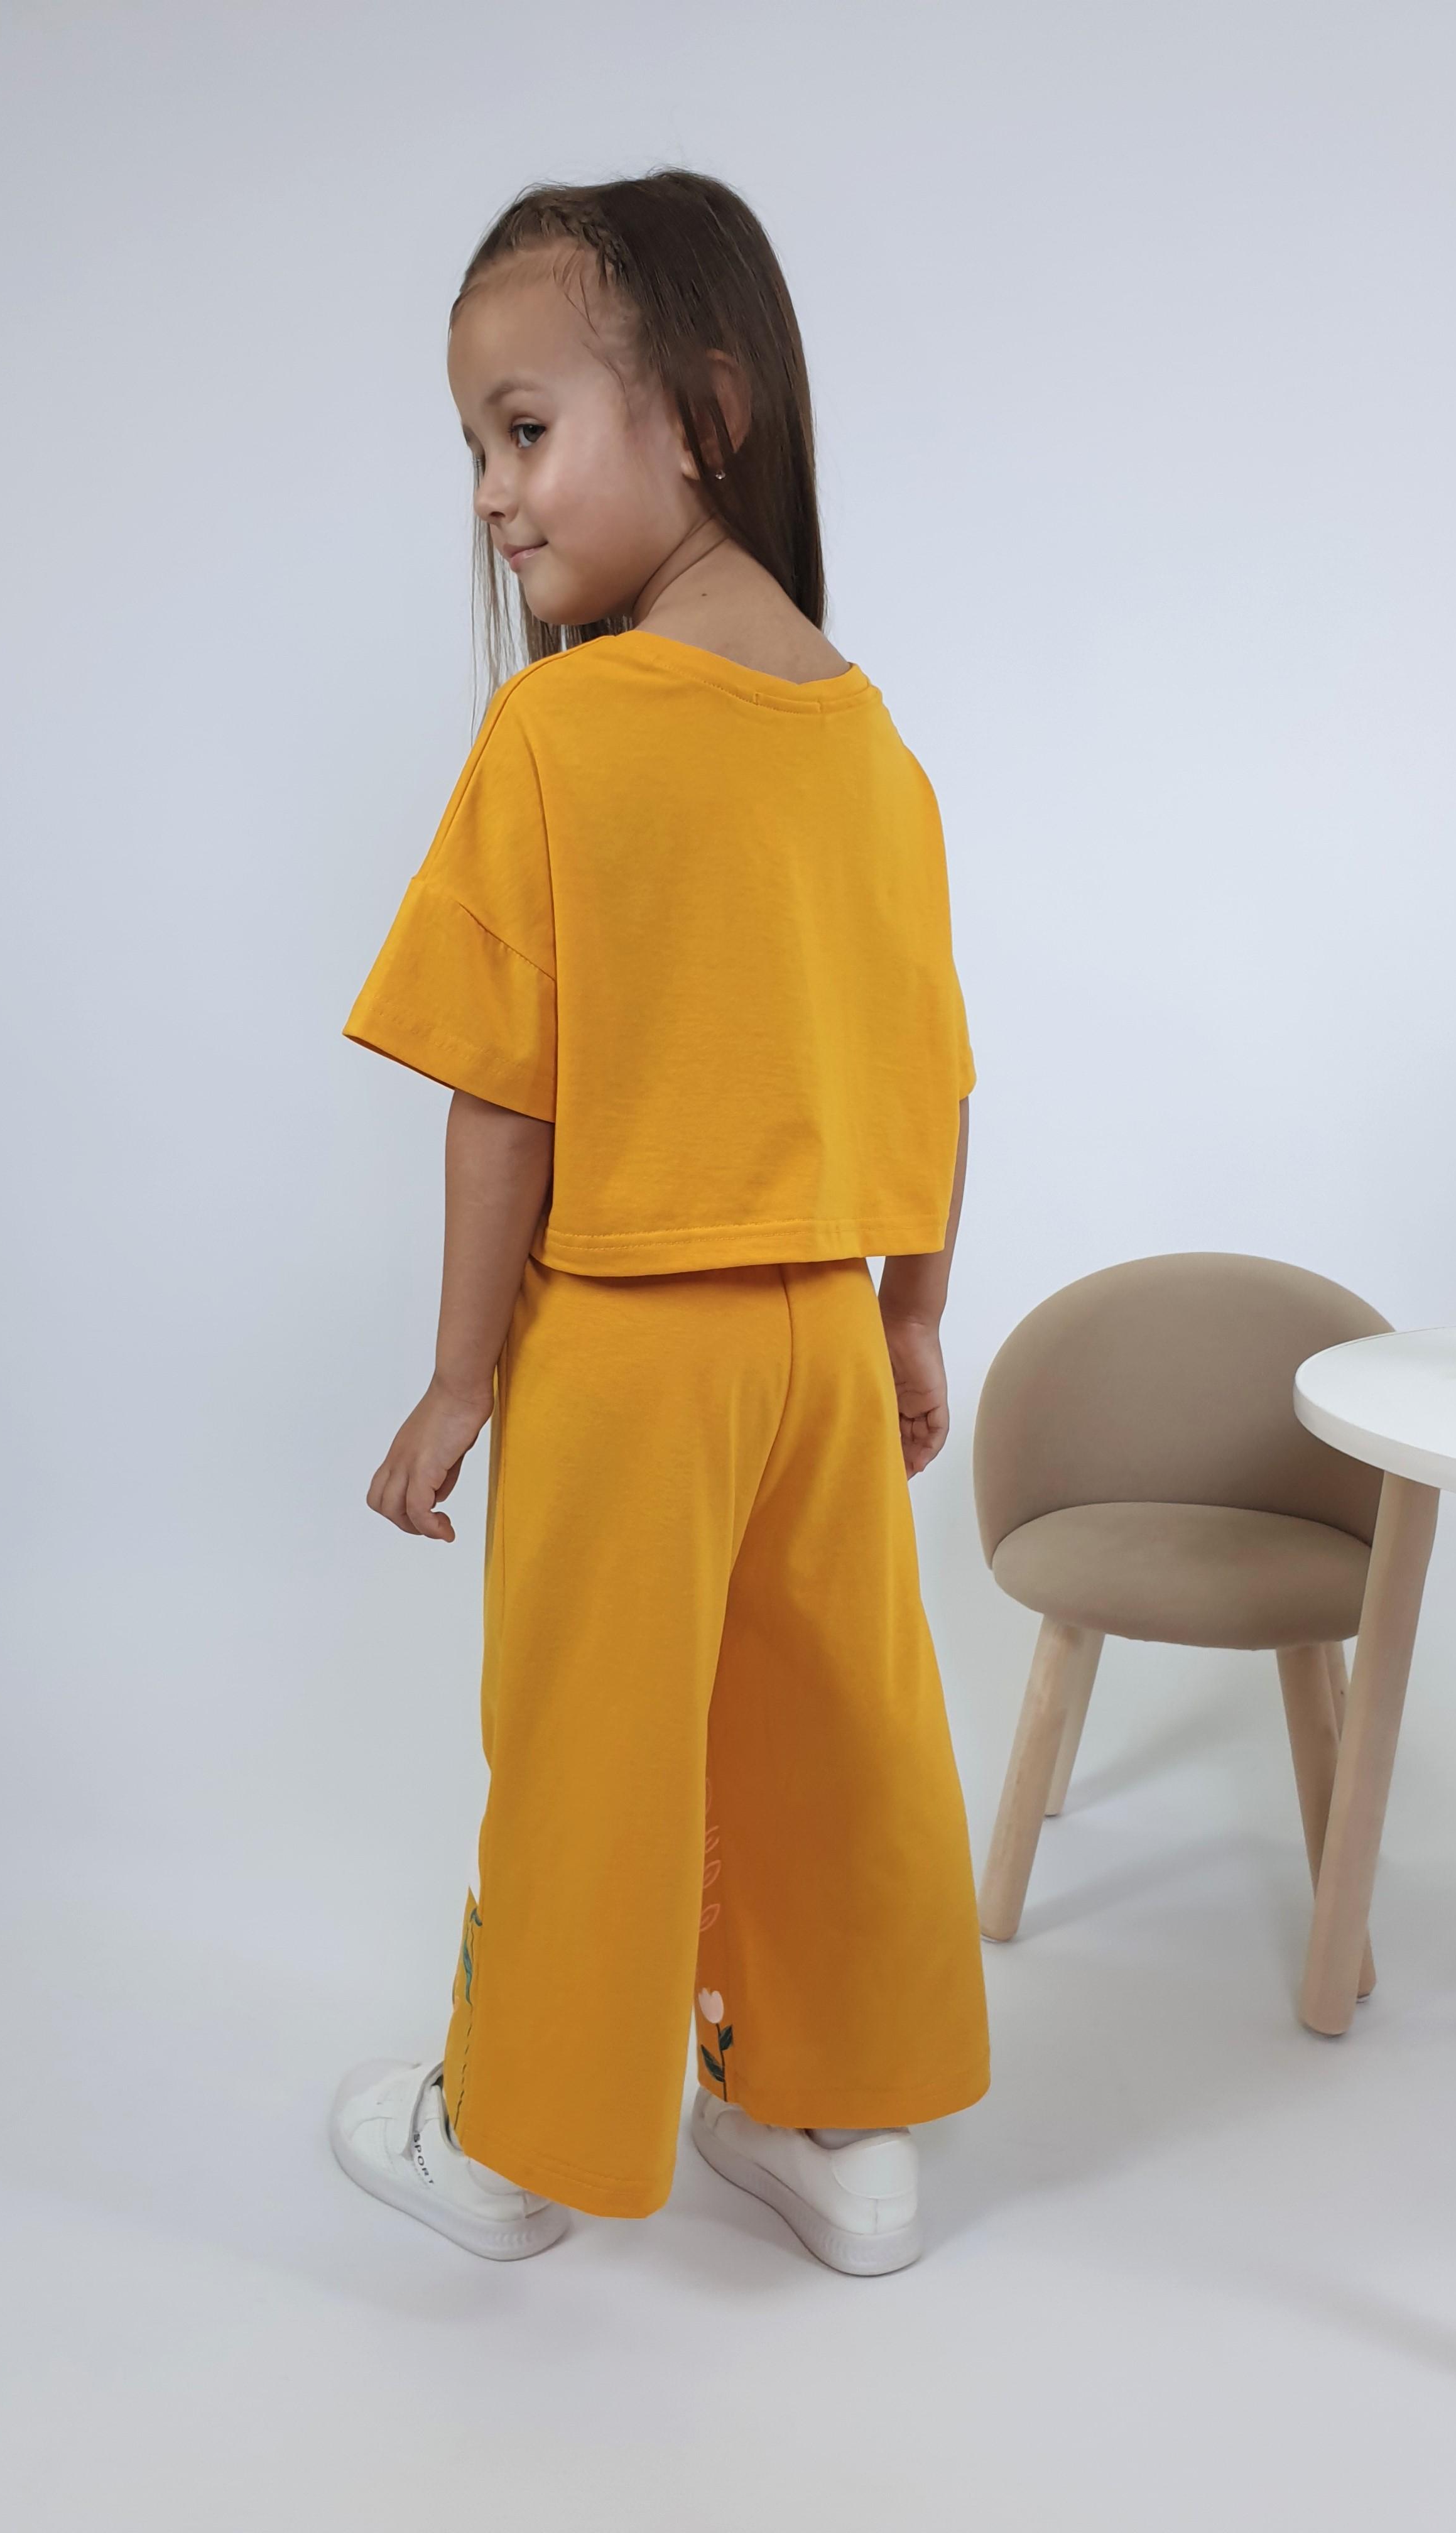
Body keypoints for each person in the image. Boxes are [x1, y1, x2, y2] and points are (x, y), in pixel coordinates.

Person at [330, 171, 987, 2276]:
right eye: (475, 447)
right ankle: (839, 2123)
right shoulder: (871, 746)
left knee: (592, 1753)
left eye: (524, 431)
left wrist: (459, 1376)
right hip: (822, 1345)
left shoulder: (563, 729)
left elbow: (502, 1099)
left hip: (626, 1348)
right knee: (833, 1736)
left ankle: (511, 2140)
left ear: (703, 417)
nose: (490, 496)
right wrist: (910, 1320)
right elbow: (934, 1077)